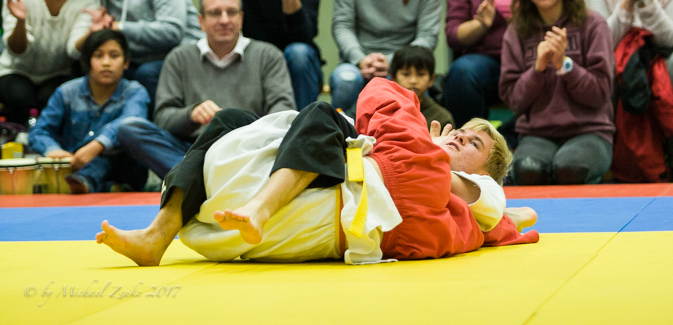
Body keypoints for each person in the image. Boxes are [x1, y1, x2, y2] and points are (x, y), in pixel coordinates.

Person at [95, 78, 538, 266]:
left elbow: (506, 216)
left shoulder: (479, 191)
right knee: (229, 119)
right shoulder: (423, 156)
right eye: (460, 131)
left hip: (361, 187)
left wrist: (428, 147)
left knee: (322, 113)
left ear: (487, 172)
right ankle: (158, 234)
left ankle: (261, 207)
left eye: (473, 144)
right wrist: (426, 143)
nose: (458, 137)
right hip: (345, 168)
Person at [116, 0, 296, 179]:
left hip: (249, 151)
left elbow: (283, 112)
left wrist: (245, 131)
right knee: (129, 128)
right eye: (215, 13)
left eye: (231, 12)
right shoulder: (179, 58)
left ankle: (194, 180)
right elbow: (163, 119)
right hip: (192, 153)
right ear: (201, 21)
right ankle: (208, 178)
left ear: (241, 18)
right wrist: (191, 114)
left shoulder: (268, 56)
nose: (224, 20)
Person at [499, 0, 615, 185]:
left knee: (570, 169)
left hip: (590, 131)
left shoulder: (593, 24)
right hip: (536, 134)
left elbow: (600, 94)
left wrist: (564, 65)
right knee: (528, 169)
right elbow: (514, 101)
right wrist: (538, 69)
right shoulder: (516, 32)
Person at [28, 29, 149, 194]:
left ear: (126, 62)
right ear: (87, 61)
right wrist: (53, 150)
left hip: (123, 168)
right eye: (98, 56)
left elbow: (132, 121)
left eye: (114, 56)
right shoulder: (67, 92)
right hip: (74, 165)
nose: (106, 63)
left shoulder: (135, 92)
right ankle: (108, 187)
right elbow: (39, 130)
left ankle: (88, 182)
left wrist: (98, 146)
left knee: (111, 154)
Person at [0, 0, 100, 124]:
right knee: (20, 96)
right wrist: (20, 22)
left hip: (58, 74)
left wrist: (92, 32)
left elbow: (73, 51)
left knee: (54, 97)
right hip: (15, 71)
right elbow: (17, 51)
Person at [390, 45, 454, 129]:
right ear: (393, 78)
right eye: (406, 74)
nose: (413, 80)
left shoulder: (441, 118)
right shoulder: (383, 110)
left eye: (421, 74)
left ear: (431, 79)